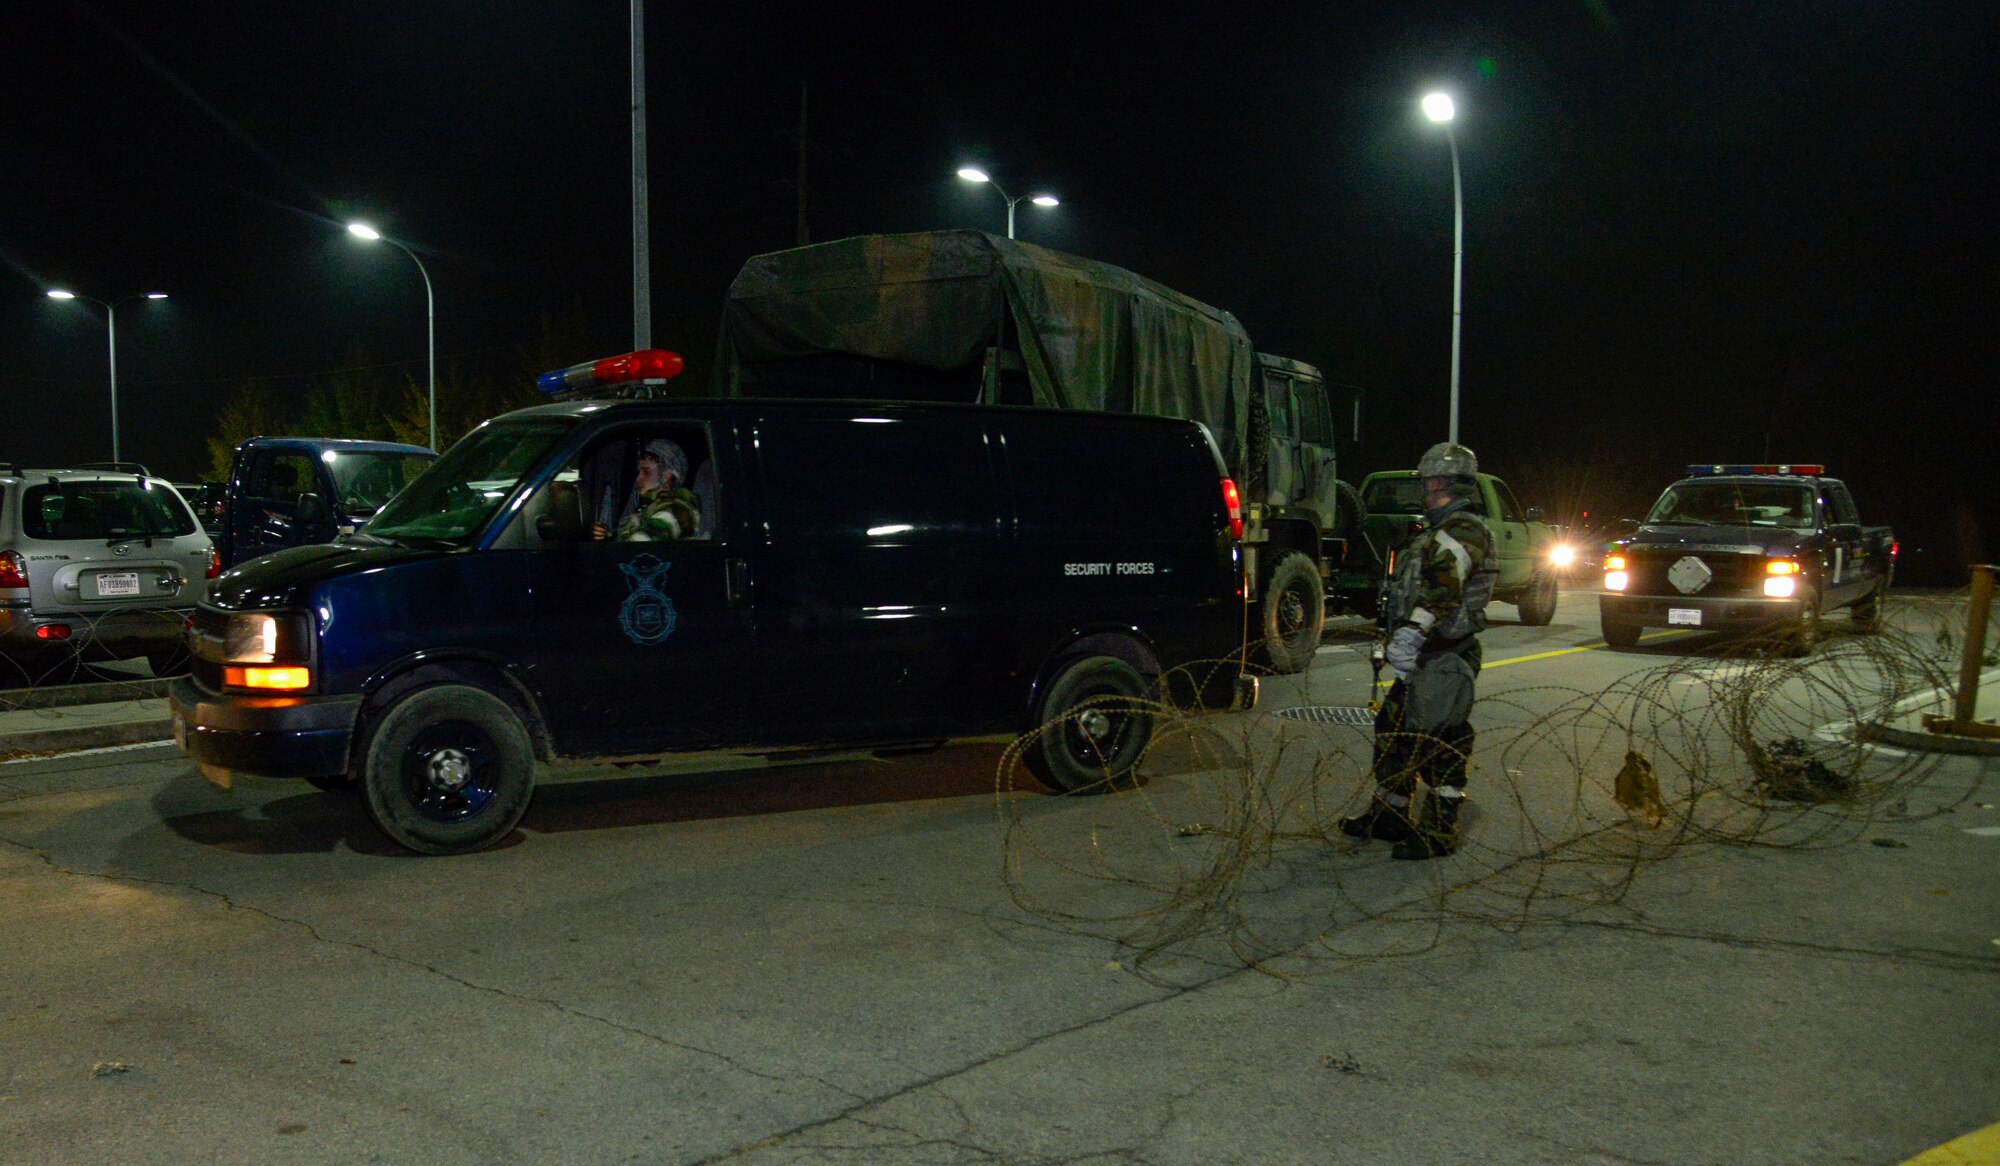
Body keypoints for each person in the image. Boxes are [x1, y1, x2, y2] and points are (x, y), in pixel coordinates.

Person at [1339, 441, 1497, 860]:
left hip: (1446, 654)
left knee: (1441, 740)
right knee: (1393, 731)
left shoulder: (1465, 531)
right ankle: (1389, 815)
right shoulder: (1434, 532)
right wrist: (1393, 631)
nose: (1426, 490)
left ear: (1451, 483)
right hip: (1423, 654)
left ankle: (1440, 829)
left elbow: (1444, 587)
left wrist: (1412, 632)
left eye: (1431, 482)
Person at [591, 438, 701, 542]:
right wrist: (608, 535)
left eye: (646, 472)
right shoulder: (648, 506)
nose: (638, 479)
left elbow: (639, 544)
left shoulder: (678, 508)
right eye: (639, 472)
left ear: (666, 476)